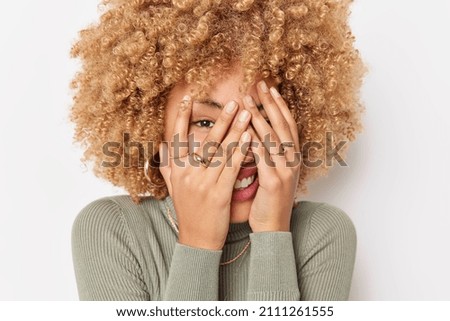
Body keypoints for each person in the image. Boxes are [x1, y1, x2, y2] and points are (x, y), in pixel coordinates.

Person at [69, 0, 365, 301]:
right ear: (156, 134)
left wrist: (273, 233)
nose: (240, 144)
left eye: (261, 116)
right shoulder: (111, 230)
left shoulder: (323, 233)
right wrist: (198, 243)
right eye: (207, 121)